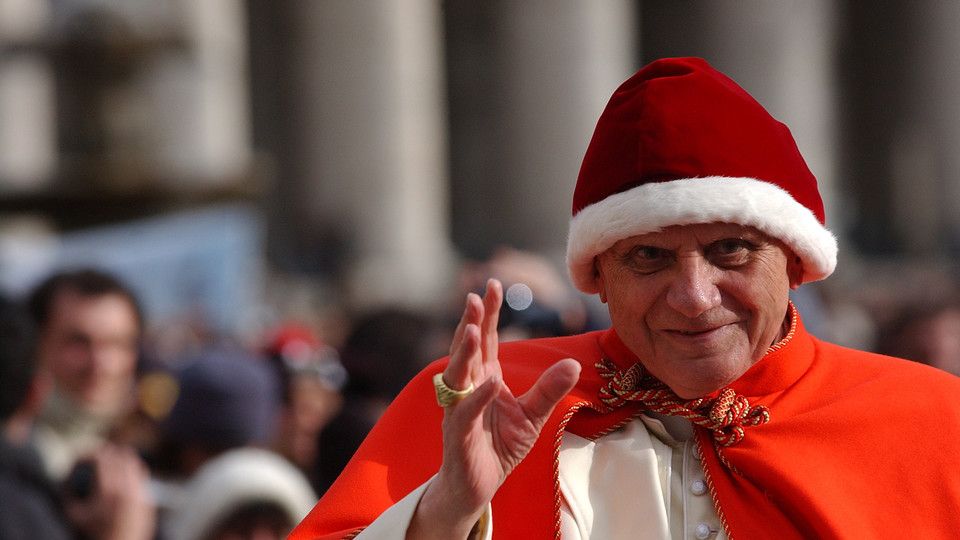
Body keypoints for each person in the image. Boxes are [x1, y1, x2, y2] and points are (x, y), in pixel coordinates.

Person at [290, 57, 960, 539]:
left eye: (731, 249)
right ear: (599, 279)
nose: (693, 297)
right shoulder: (480, 404)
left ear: (794, 260)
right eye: (648, 257)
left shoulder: (932, 425)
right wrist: (443, 512)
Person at [27, 269, 143, 481]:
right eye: (78, 342)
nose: (100, 364)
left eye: (116, 343)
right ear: (35, 344)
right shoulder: (16, 456)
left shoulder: (152, 453)